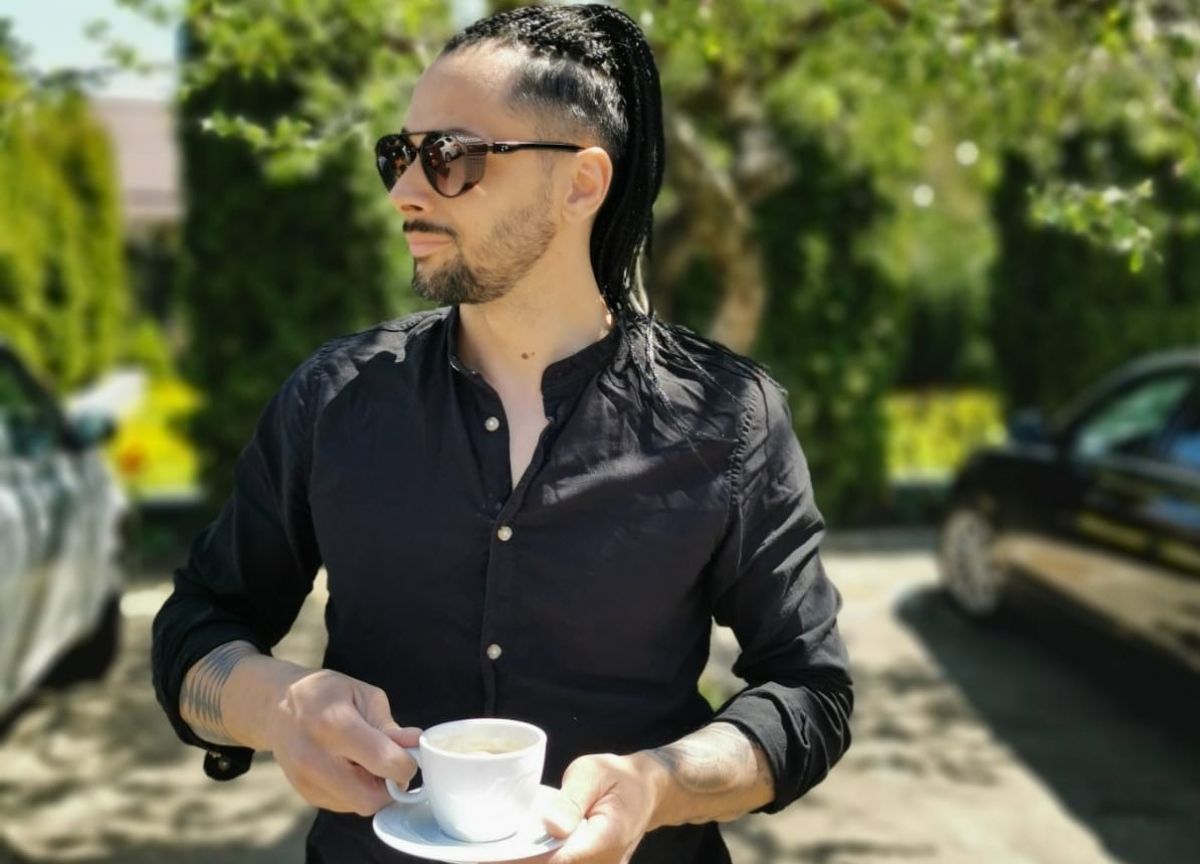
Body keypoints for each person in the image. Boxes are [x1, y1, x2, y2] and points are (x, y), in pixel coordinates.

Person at [150, 5, 853, 863]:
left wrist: (660, 785)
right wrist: (277, 705)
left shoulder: (728, 419)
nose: (406, 190)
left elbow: (809, 691)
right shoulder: (333, 400)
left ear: (581, 182)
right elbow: (197, 625)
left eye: (450, 156)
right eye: (399, 154)